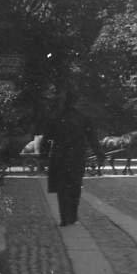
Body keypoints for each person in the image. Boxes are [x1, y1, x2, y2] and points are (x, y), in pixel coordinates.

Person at [41, 89, 103, 227]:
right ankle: (73, 216)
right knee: (75, 187)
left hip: (59, 157)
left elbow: (45, 140)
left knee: (62, 188)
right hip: (76, 157)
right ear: (76, 102)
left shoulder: (55, 117)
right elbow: (93, 139)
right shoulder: (83, 118)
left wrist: (43, 157)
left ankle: (64, 218)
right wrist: (100, 154)